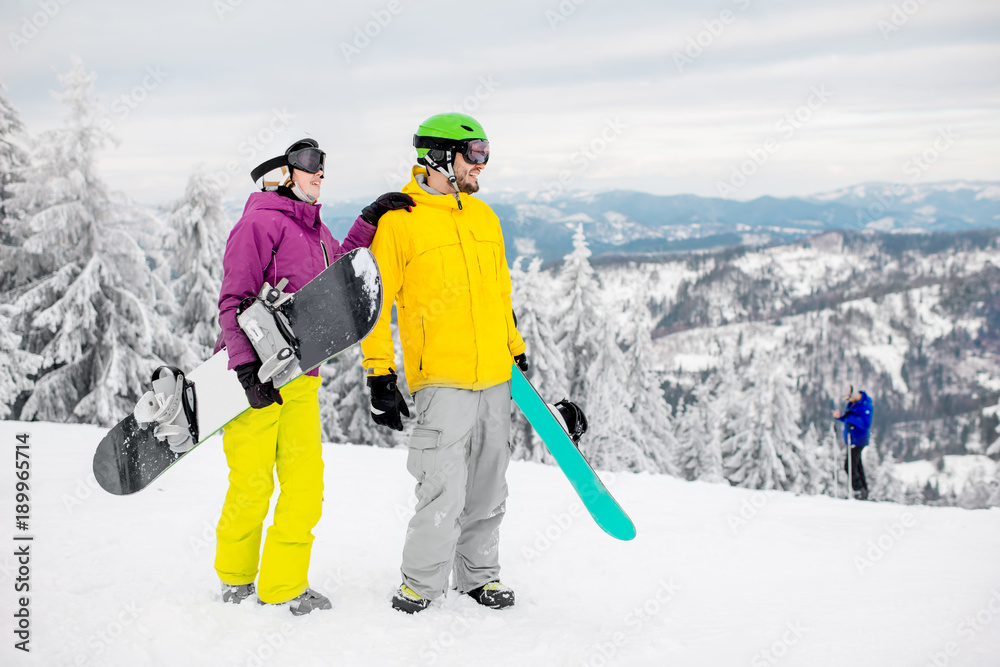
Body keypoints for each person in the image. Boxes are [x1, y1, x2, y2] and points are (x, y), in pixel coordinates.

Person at [214, 137, 412, 614]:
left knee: (305, 486)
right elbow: (233, 300)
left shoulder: (315, 232)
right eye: (307, 164)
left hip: (301, 378)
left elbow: (338, 272)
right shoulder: (258, 224)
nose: (318, 173)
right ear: (281, 175)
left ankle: (283, 586)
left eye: (322, 166)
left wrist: (369, 219)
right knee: (253, 483)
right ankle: (236, 579)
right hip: (255, 379)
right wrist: (244, 368)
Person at [360, 113, 528, 614]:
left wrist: (514, 348)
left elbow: (501, 293)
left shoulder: (484, 217)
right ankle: (420, 583)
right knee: (441, 487)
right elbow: (376, 302)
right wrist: (379, 372)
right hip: (442, 379)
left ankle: (478, 576)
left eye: (485, 152)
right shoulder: (400, 221)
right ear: (440, 158)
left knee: (489, 483)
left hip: (495, 376)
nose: (483, 164)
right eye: (474, 153)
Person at [832, 384, 873, 500]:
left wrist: (849, 417)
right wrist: (840, 417)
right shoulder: (853, 404)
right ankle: (863, 491)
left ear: (853, 395)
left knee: (849, 466)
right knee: (857, 466)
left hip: (858, 440)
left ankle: (858, 490)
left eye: (847, 398)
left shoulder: (865, 406)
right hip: (851, 439)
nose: (847, 401)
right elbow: (848, 418)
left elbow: (865, 424)